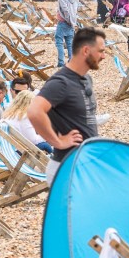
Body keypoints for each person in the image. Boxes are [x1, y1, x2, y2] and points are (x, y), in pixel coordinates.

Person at [28, 27, 106, 184]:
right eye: (101, 51)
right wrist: (57, 141)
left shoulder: (85, 79)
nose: (104, 56)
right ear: (86, 50)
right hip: (66, 167)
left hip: (83, 164)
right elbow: (34, 111)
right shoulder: (61, 82)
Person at [55, 0, 80, 68]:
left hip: (63, 22)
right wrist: (72, 22)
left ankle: (61, 62)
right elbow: (76, 10)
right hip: (72, 22)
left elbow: (65, 10)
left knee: (59, 42)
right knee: (69, 42)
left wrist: (68, 20)